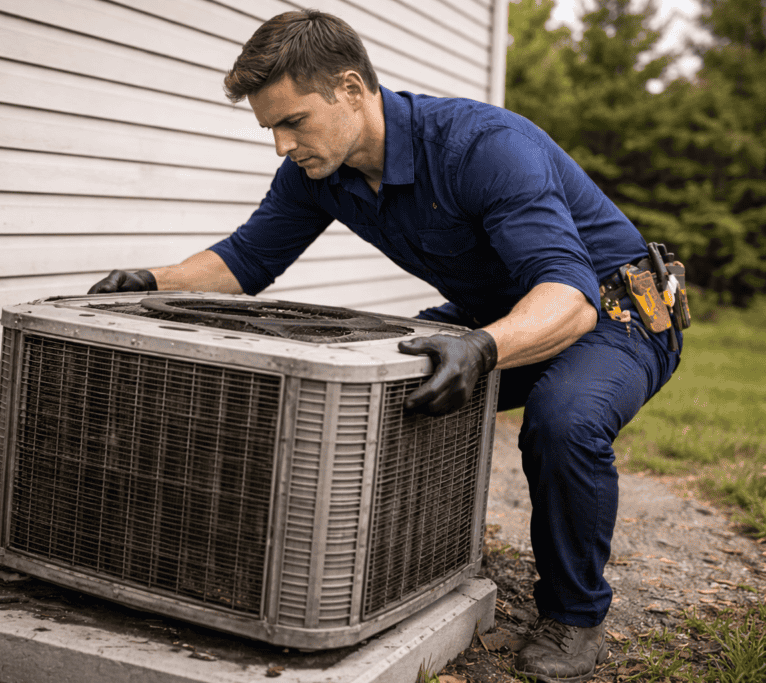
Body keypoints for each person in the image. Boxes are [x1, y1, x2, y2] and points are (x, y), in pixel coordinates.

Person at [90, 10, 683, 682]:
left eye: (293, 122)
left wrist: (482, 350)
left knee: (563, 419)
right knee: (389, 382)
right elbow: (244, 261)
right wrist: (150, 282)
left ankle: (575, 614)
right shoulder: (320, 172)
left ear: (350, 88)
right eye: (270, 129)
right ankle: (405, 563)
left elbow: (568, 299)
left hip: (615, 312)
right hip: (504, 312)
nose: (282, 145)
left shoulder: (480, 147)